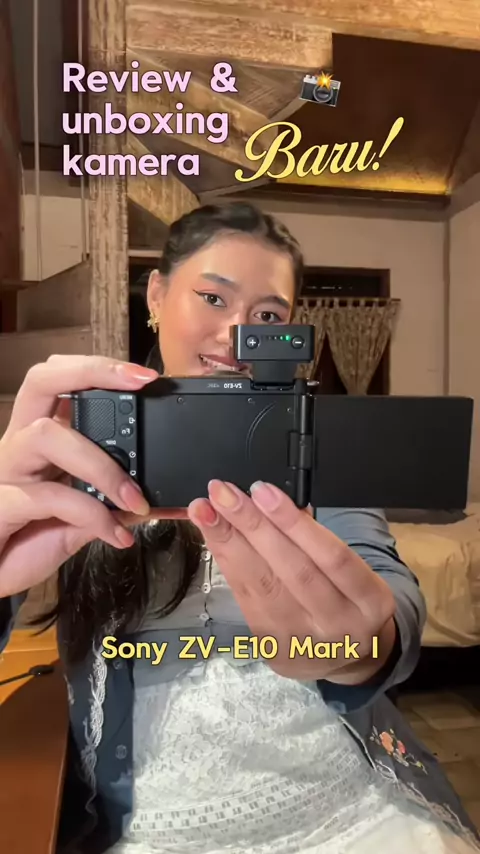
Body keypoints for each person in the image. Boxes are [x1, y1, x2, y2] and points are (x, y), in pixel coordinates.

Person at [0, 201, 478, 854]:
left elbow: (388, 589)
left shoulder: (313, 444)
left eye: (269, 317)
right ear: (157, 295)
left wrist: (361, 648)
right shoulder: (82, 439)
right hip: (151, 825)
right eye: (213, 298)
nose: (236, 334)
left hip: (349, 807)